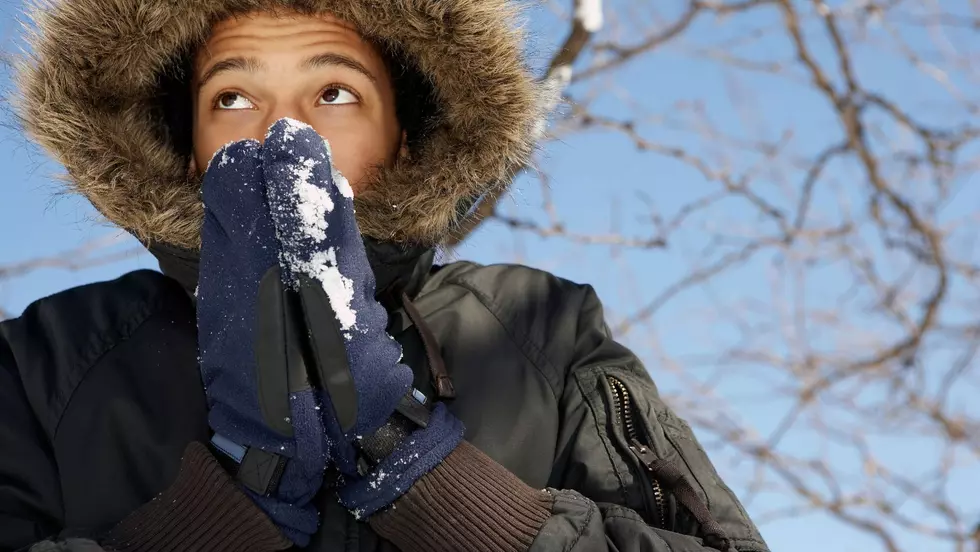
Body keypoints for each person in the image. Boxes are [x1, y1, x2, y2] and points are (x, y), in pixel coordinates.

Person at [2, 1, 771, 551]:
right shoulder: (53, 358)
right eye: (233, 97)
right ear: (188, 145)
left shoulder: (536, 326)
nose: (283, 131)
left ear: (406, 136)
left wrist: (427, 477)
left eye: (333, 93)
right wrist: (230, 507)